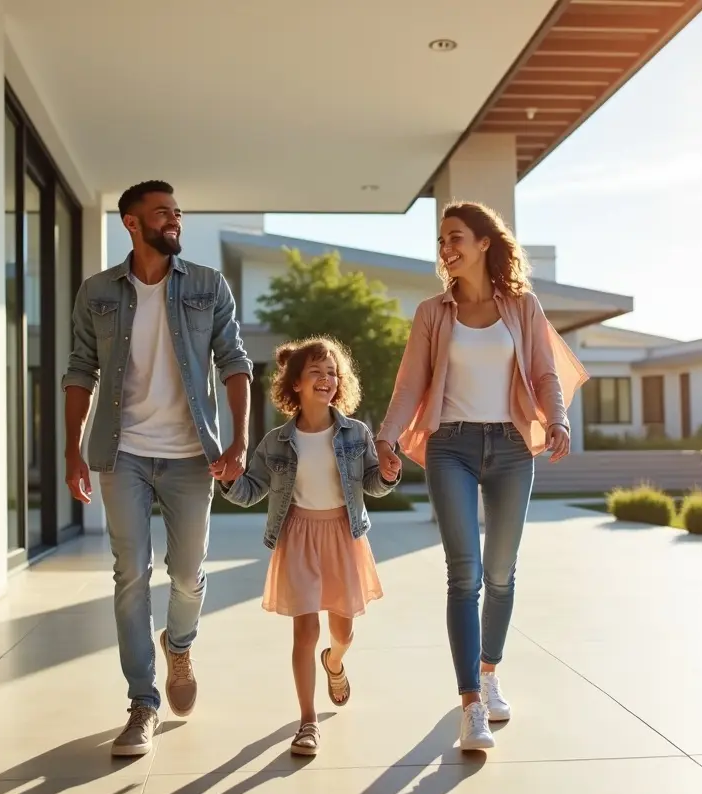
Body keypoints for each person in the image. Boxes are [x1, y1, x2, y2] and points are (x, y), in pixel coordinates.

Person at [374, 201, 588, 751]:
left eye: (456, 237)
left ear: (484, 243)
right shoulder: (432, 313)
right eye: (442, 239)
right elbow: (410, 384)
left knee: (500, 573)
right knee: (463, 573)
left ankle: (490, 672)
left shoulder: (522, 306)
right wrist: (386, 437)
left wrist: (557, 420)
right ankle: (471, 702)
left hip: (513, 446)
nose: (447, 248)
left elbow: (544, 372)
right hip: (452, 446)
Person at [61, 180, 253, 758]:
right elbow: (79, 369)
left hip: (193, 452)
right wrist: (73, 447)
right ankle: (142, 702)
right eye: (161, 213)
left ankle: (180, 642)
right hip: (122, 451)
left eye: (177, 213)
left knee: (190, 573)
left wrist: (239, 441)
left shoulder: (207, 285)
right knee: (130, 574)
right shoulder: (97, 291)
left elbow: (235, 362)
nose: (173, 221)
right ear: (130, 222)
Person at [219, 336, 400, 756]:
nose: (326, 379)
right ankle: (307, 721)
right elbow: (251, 490)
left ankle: (334, 662)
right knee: (305, 629)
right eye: (316, 372)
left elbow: (373, 483)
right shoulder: (277, 442)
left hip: (342, 535)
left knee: (343, 630)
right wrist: (228, 478)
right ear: (296, 383)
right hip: (298, 537)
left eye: (332, 372)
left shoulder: (356, 434)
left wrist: (389, 474)